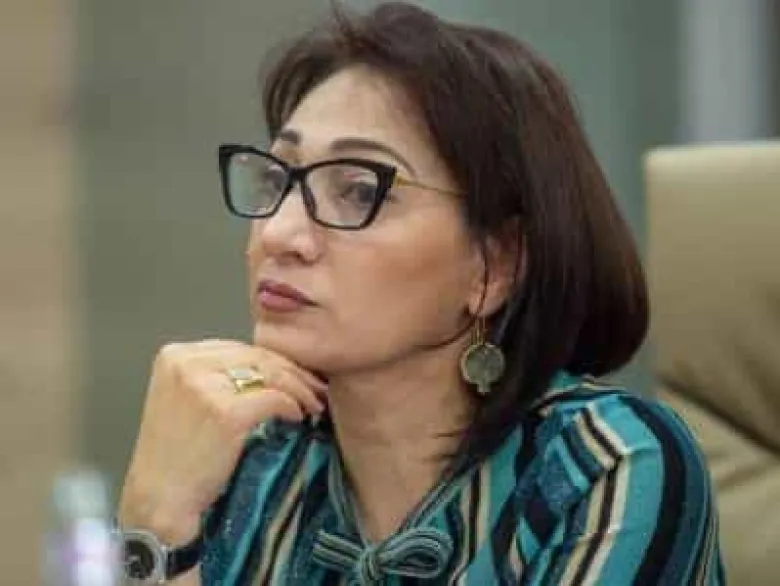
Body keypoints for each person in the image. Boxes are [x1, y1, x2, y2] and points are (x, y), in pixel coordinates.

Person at [116, 2, 725, 584]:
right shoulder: (255, 470)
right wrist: (156, 523)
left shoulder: (605, 464)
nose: (278, 234)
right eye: (277, 179)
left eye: (358, 190)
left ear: (494, 265)